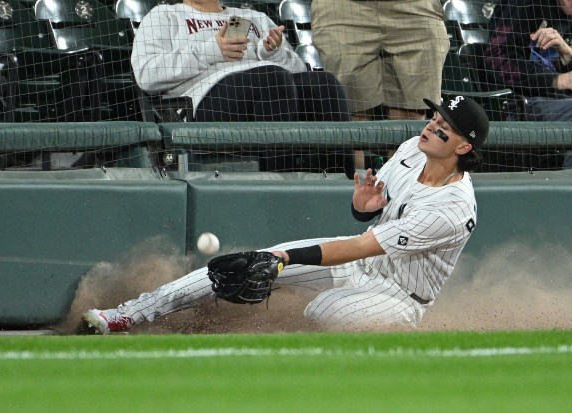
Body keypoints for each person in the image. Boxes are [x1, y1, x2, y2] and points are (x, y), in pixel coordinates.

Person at [82, 95, 489, 334]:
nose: (429, 127)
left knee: (321, 309)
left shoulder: (450, 209)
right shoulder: (408, 150)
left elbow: (360, 245)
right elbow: (365, 226)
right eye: (434, 118)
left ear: (463, 148)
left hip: (399, 297)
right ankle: (125, 316)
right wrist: (362, 208)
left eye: (443, 128)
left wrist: (288, 259)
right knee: (244, 263)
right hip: (362, 267)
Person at [132, 0, 350, 122]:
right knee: (272, 79)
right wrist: (211, 51)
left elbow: (298, 71)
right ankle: (278, 182)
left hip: (269, 85)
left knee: (324, 84)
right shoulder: (164, 15)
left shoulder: (250, 17)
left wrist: (271, 53)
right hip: (199, 103)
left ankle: (340, 182)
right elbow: (147, 75)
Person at [309, 0, 449, 121]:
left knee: (412, 110)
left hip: (413, 7)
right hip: (343, 8)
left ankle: (404, 153)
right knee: (352, 111)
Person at [484, 0, 572, 122]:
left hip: (569, 102)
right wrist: (554, 80)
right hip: (521, 103)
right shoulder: (526, 4)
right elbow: (495, 59)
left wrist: (568, 56)